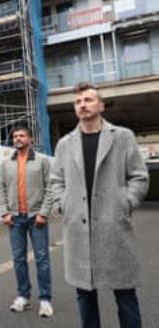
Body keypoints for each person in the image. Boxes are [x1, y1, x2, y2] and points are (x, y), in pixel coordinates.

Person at [50, 82, 149, 328]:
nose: (82, 105)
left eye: (88, 100)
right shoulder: (65, 143)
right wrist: (64, 205)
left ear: (101, 105)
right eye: (77, 102)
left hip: (114, 226)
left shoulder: (122, 137)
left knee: (125, 294)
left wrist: (126, 203)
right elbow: (55, 181)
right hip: (78, 229)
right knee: (84, 295)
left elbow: (139, 176)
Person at [0, 125, 54, 318]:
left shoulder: (43, 161)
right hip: (15, 218)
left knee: (42, 260)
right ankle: (23, 296)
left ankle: (45, 299)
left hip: (36, 217)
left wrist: (44, 213)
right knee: (18, 259)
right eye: (15, 136)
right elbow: (1, 189)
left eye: (22, 135)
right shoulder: (6, 163)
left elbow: (51, 188)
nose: (18, 138)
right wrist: (4, 212)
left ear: (30, 139)